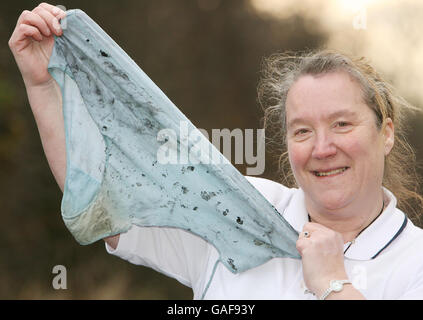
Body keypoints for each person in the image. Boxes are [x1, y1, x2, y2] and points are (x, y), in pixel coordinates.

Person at [9, 3, 423, 299]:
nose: (322, 148)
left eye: (342, 124)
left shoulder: (415, 262)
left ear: (385, 132)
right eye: (301, 131)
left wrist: (334, 285)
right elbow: (103, 197)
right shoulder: (237, 207)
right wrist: (45, 86)